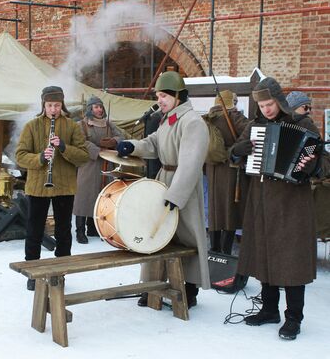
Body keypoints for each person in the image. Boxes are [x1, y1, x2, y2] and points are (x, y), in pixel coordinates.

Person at [229, 77, 330, 340]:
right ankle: (269, 310)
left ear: (279, 100)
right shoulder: (255, 127)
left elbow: (323, 162)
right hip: (261, 200)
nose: (266, 110)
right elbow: (235, 155)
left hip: (293, 203)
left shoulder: (302, 124)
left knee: (291, 259)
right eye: (261, 105)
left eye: (270, 104)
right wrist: (238, 152)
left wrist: (312, 165)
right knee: (264, 252)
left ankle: (294, 318)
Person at [116, 71, 210, 308]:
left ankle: (190, 289)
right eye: (158, 96)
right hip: (163, 180)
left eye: (164, 96)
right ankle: (151, 286)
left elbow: (191, 162)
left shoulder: (192, 122)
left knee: (186, 237)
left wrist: (177, 195)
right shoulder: (168, 119)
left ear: (178, 96)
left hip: (183, 184)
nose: (160, 100)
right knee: (155, 234)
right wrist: (132, 146)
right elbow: (153, 144)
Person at [16, 86, 89, 291]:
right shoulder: (32, 126)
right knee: (34, 229)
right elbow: (20, 156)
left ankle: (61, 271)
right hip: (38, 186)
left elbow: (83, 156)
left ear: (62, 105)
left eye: (57, 105)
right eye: (49, 105)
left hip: (64, 186)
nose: (53, 109)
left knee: (64, 231)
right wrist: (40, 157)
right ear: (43, 105)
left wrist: (64, 147)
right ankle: (33, 271)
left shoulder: (72, 127)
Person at [72, 96, 124, 244]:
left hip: (106, 164)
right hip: (89, 164)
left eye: (100, 106)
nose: (99, 109)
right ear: (90, 109)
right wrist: (98, 150)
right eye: (96, 107)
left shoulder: (108, 124)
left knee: (101, 196)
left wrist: (114, 141)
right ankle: (80, 231)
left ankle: (94, 227)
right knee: (84, 197)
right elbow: (81, 142)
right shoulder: (81, 125)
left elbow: (121, 136)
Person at [204, 90, 250, 254]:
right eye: (235, 102)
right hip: (230, 171)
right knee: (229, 214)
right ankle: (225, 253)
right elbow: (252, 130)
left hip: (211, 171)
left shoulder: (207, 120)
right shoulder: (234, 117)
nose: (236, 106)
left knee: (215, 213)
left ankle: (214, 250)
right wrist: (236, 148)